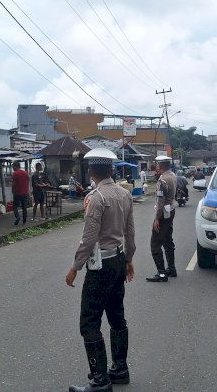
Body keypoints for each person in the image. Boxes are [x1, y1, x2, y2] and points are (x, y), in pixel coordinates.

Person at [66, 148, 136, 392]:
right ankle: (119, 368)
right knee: (116, 315)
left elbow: (88, 238)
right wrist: (129, 259)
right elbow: (130, 233)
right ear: (111, 170)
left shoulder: (96, 198)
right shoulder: (124, 194)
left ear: (91, 170)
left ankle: (99, 380)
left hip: (101, 265)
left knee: (89, 321)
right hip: (118, 260)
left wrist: (75, 267)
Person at [146, 155, 177, 282]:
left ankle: (162, 273)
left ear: (160, 166)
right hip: (171, 211)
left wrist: (156, 219)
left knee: (155, 243)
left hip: (163, 213)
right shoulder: (173, 176)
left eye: (157, 164)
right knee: (167, 240)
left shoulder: (162, 181)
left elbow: (160, 202)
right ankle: (171, 268)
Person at [12, 161, 30, 225]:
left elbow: (14, 184)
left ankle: (17, 217)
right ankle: (24, 221)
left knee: (15, 206)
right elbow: (27, 182)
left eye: (13, 166)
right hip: (25, 193)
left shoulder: (15, 173)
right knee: (24, 207)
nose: (13, 168)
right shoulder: (26, 173)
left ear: (16, 166)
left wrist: (13, 190)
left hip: (17, 193)